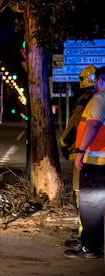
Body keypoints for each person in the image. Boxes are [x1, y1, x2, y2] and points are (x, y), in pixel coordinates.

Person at [63, 65, 105, 259]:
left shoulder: (99, 99)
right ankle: (92, 243)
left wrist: (80, 151)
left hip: (95, 162)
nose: (95, 84)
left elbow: (93, 125)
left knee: (91, 206)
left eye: (97, 80)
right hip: (100, 162)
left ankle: (90, 248)